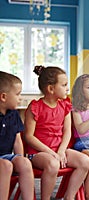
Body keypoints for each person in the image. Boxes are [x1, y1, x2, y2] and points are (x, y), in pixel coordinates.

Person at [23, 66, 89, 200]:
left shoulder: (64, 105)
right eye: (64, 85)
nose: (67, 88)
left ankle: (69, 197)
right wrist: (52, 153)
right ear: (51, 89)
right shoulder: (35, 107)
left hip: (59, 150)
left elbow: (67, 132)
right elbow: (28, 136)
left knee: (84, 161)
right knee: (53, 164)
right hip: (38, 153)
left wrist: (61, 151)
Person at [0, 71, 34, 200]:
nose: (20, 98)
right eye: (18, 94)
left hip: (6, 156)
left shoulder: (13, 114)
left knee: (24, 162)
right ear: (3, 97)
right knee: (6, 166)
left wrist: (19, 158)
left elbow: (17, 140)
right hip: (2, 162)